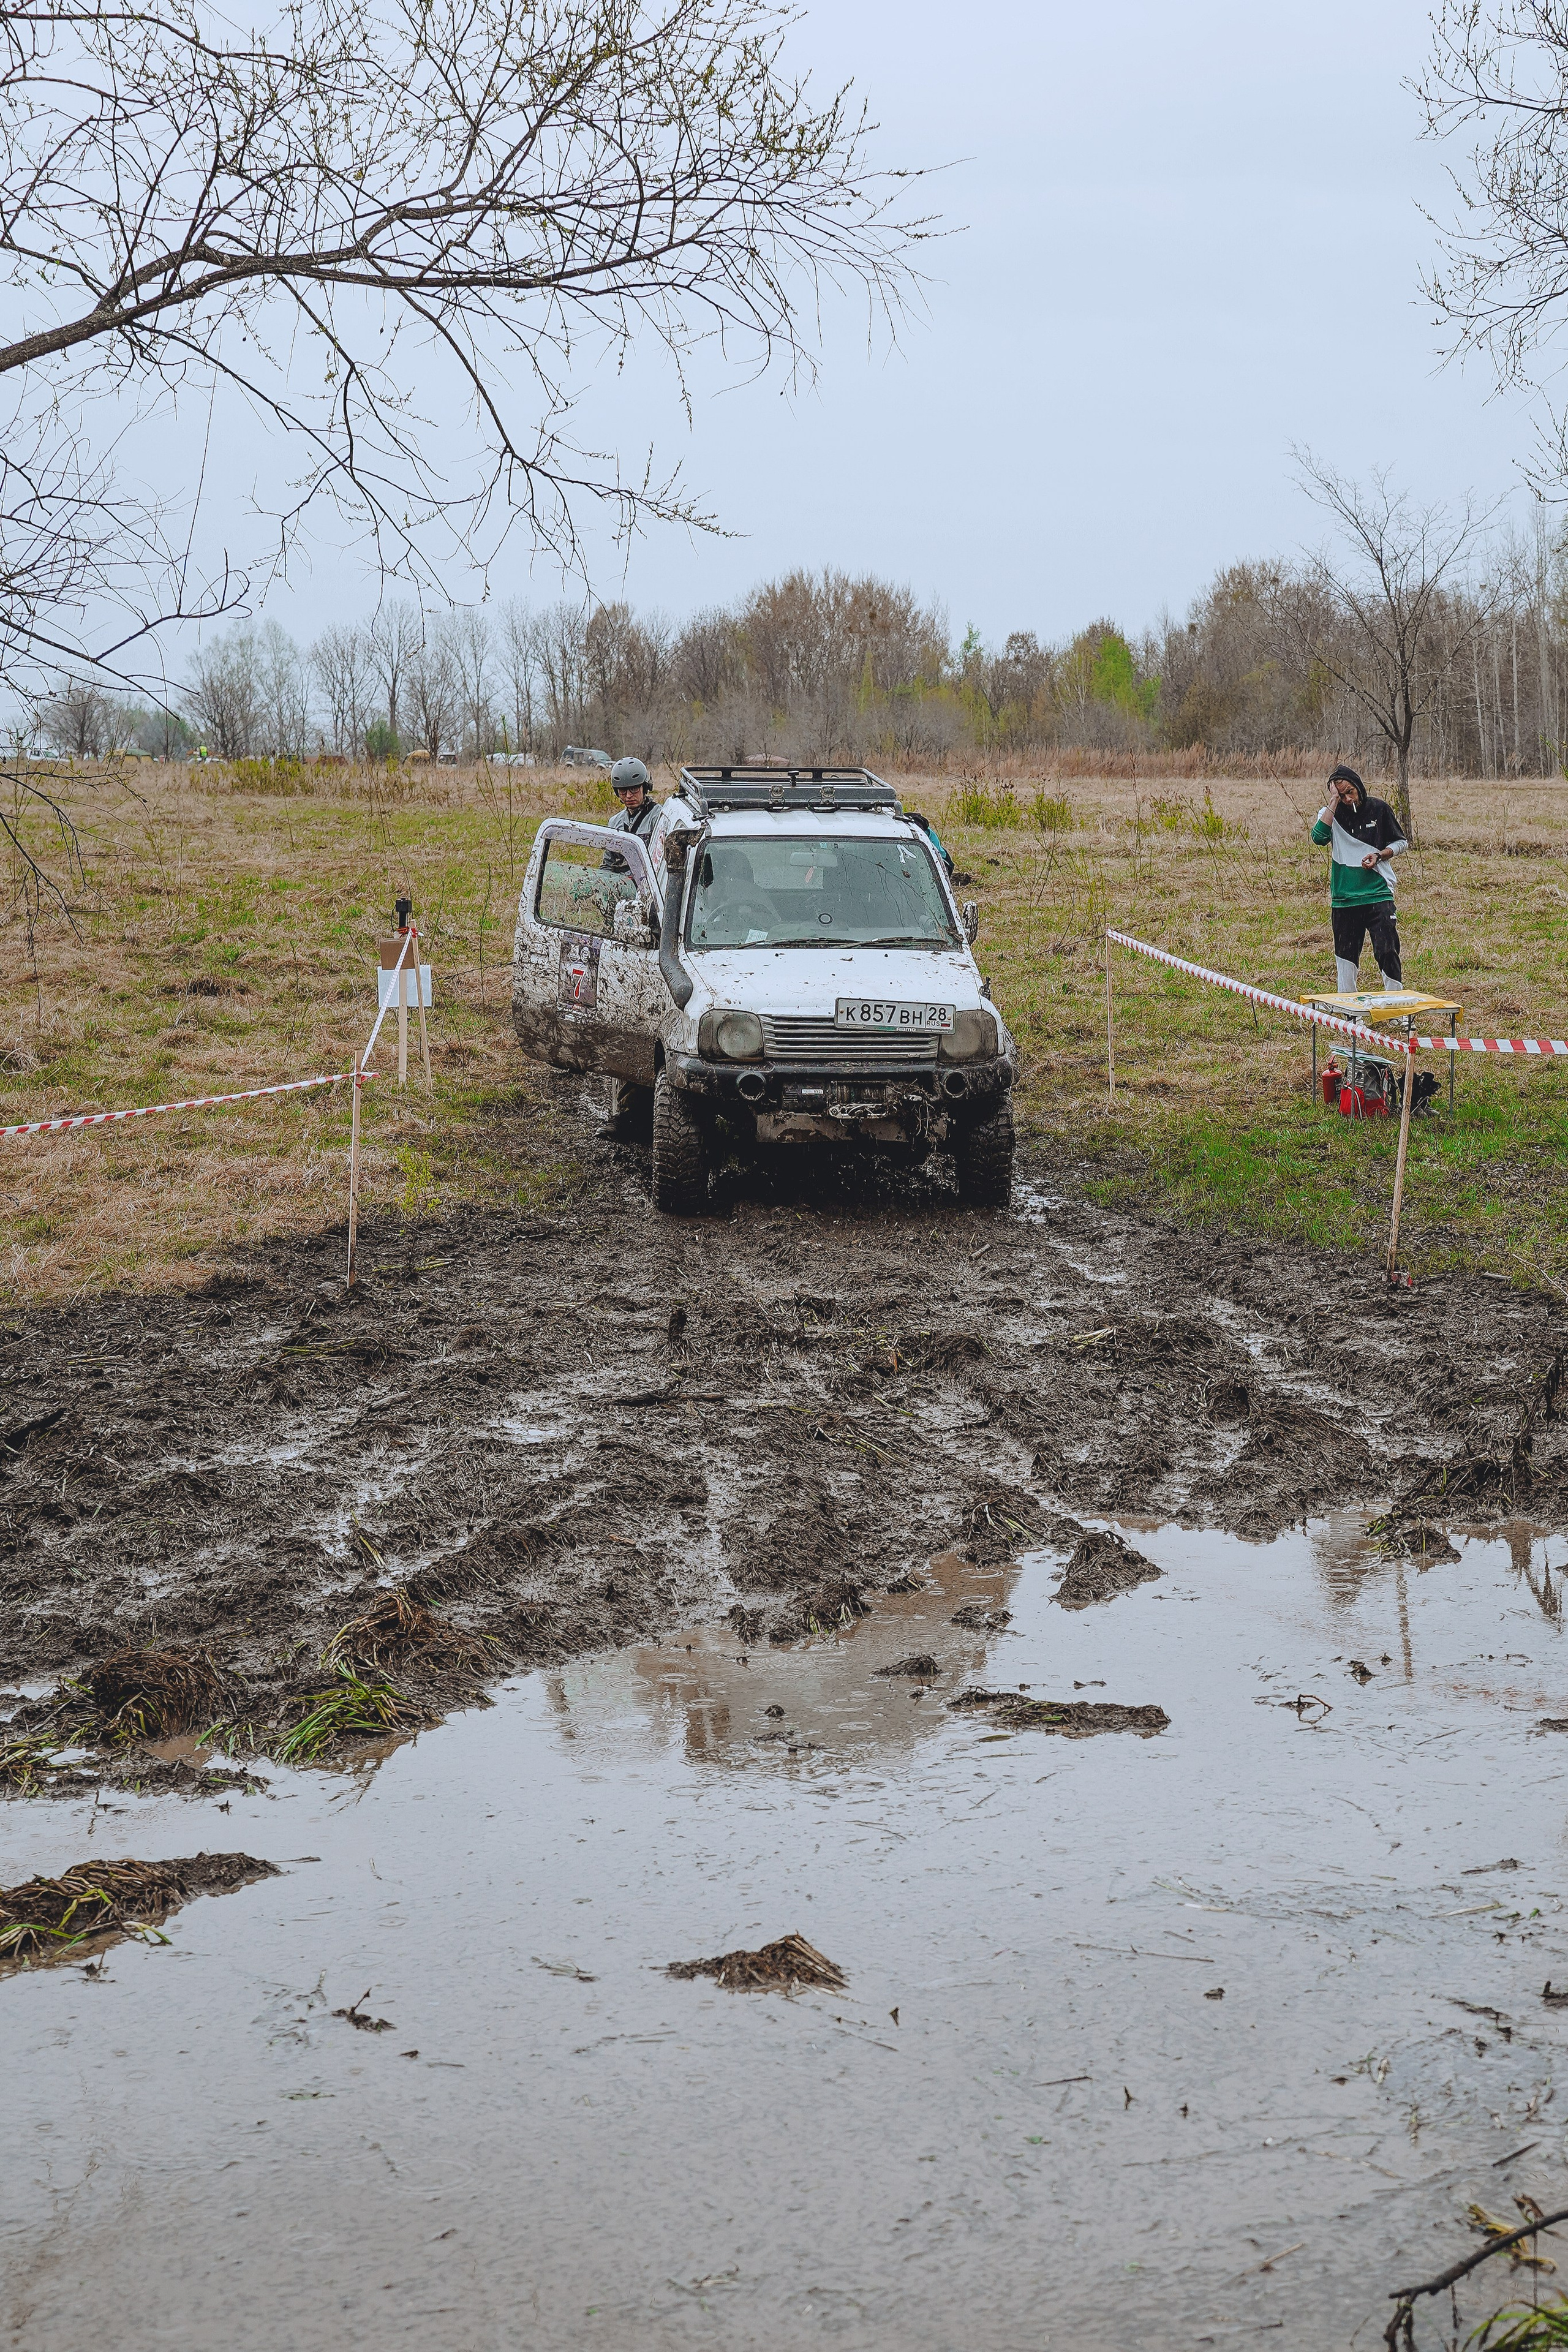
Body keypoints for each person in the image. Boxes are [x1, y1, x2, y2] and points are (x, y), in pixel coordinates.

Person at [1310, 765, 1408, 993]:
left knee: (1387, 950)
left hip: (1378, 893)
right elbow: (1319, 838)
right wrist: (1333, 802)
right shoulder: (1329, 813)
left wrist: (1380, 855)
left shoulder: (1379, 809)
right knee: (1346, 959)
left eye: (1350, 792)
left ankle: (1395, 1000)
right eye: (1341, 795)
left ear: (1359, 787)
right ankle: (1347, 1008)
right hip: (1344, 898)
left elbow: (1401, 843)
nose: (1347, 799)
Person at [601, 756, 660, 870]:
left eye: (634, 789)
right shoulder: (615, 822)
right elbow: (608, 864)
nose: (629, 796)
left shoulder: (658, 817)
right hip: (620, 880)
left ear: (645, 787)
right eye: (623, 790)